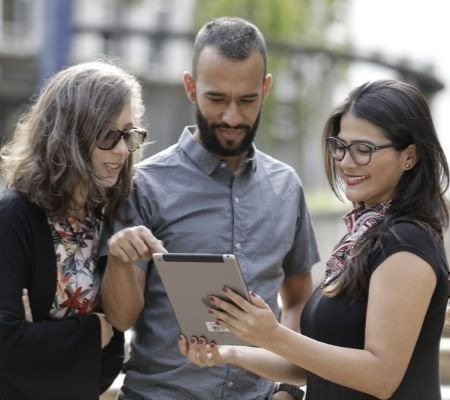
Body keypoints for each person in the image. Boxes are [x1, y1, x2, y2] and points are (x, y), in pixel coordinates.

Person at [179, 79, 450, 400]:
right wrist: (230, 353)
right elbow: (312, 366)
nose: (346, 162)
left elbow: (381, 376)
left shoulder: (406, 243)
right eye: (340, 146)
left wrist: (274, 333)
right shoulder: (361, 236)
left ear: (410, 156)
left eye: (363, 150)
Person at [101, 17, 320, 400]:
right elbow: (122, 317)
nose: (233, 117)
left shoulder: (286, 186)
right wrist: (120, 260)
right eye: (216, 99)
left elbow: (299, 297)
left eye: (247, 100)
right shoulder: (143, 184)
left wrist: (287, 387)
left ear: (265, 89)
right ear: (190, 87)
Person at [0, 61, 148, 399]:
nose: (123, 149)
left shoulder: (107, 218)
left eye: (129, 134)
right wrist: (93, 329)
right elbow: (6, 347)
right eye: (109, 135)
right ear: (70, 134)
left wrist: (41, 339)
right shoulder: (12, 218)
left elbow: (110, 361)